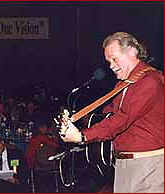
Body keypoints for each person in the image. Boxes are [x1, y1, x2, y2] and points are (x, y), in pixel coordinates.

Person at [61, 32, 164, 193]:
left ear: (132, 51)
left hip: (147, 164)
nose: (111, 66)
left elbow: (122, 119)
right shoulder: (123, 85)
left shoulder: (150, 81)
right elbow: (108, 115)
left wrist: (82, 136)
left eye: (114, 59)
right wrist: (75, 122)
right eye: (108, 61)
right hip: (123, 165)